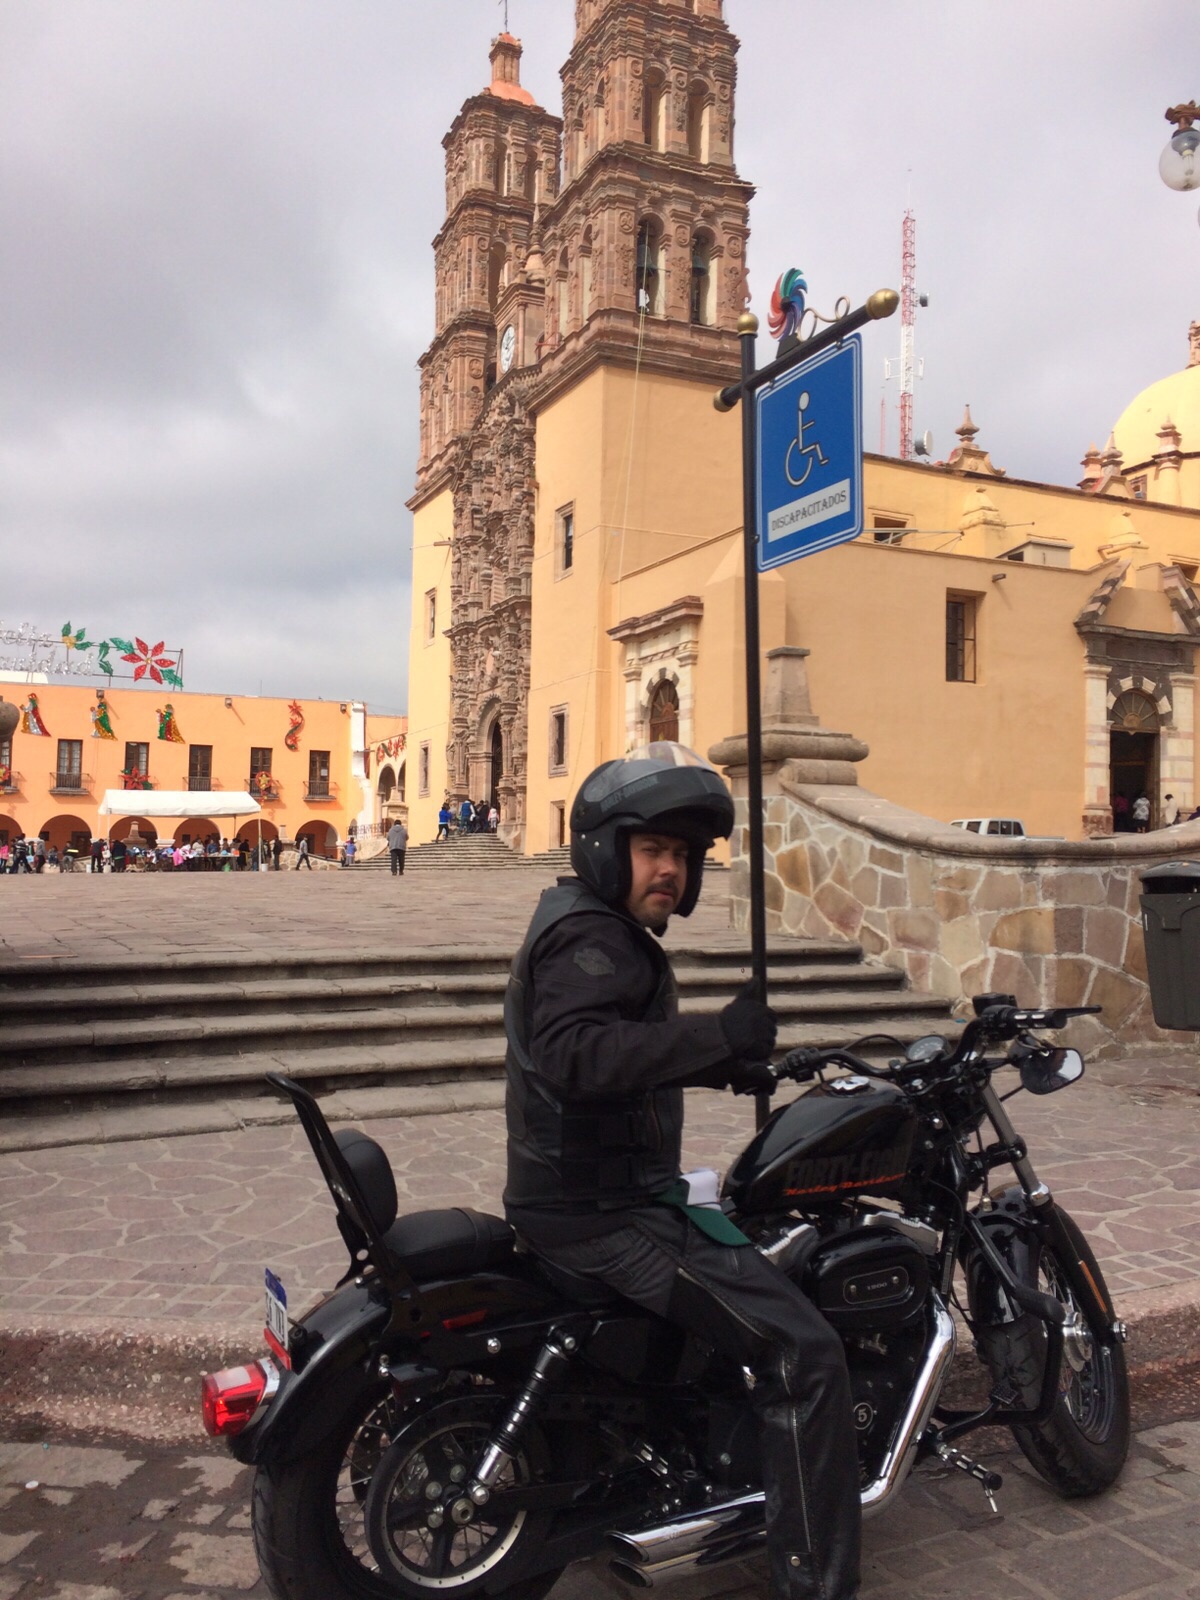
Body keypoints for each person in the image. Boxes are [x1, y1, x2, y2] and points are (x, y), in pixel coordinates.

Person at [503, 744, 860, 1600]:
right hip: (603, 1215)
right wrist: (718, 1035)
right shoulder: (594, 936)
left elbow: (617, 1056)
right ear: (605, 847)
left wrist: (726, 1066)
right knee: (805, 1353)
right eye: (653, 849)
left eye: (684, 856)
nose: (670, 869)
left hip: (593, 1195)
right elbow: (576, 1054)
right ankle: (819, 1584)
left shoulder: (595, 926)